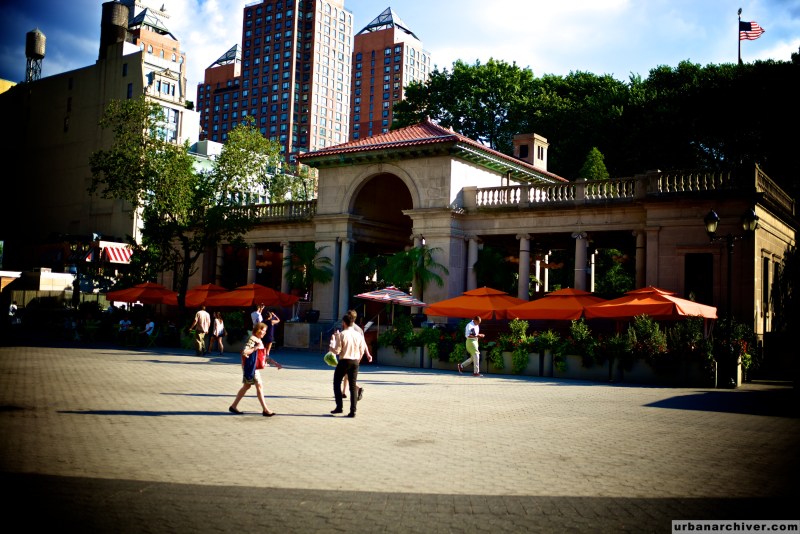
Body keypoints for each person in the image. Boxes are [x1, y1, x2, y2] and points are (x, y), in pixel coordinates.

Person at [229, 322, 282, 417]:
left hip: (253, 367)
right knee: (259, 386)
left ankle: (233, 406)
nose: (265, 333)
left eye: (265, 331)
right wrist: (255, 348)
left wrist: (275, 363)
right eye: (264, 330)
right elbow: (245, 351)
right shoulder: (253, 339)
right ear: (258, 330)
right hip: (251, 367)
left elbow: (263, 356)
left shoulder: (258, 340)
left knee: (247, 386)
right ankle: (265, 410)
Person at [329, 313, 371, 418]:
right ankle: (353, 411)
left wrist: (331, 345)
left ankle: (339, 407)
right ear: (353, 322)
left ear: (344, 323)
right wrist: (358, 359)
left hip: (344, 361)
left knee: (336, 383)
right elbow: (362, 350)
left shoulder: (342, 334)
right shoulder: (358, 335)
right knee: (352, 387)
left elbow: (337, 351)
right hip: (355, 361)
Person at [341, 309, 371, 401]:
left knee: (348, 375)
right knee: (347, 374)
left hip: (349, 354)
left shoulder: (348, 328)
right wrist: (368, 354)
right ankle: (343, 392)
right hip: (357, 355)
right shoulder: (359, 329)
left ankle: (358, 388)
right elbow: (364, 343)